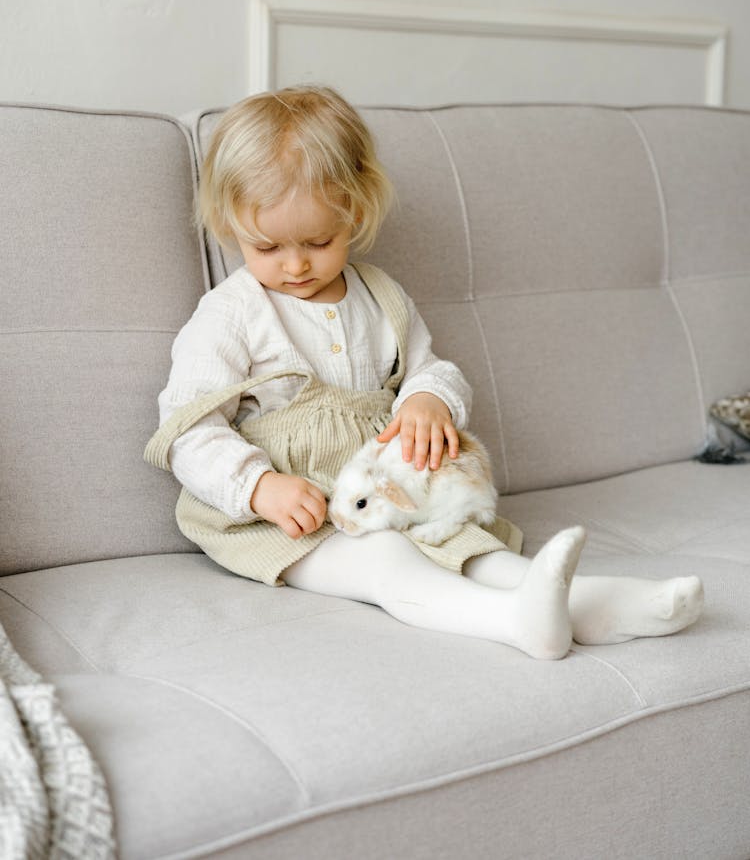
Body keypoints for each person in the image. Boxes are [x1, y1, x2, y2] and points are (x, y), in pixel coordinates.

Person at [145, 86, 703, 659]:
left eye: (319, 241)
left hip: (385, 496)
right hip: (292, 518)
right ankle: (515, 621)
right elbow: (186, 427)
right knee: (386, 562)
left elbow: (429, 368)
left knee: (471, 547)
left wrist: (426, 399)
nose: (295, 265)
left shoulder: (380, 296)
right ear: (228, 224)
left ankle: (593, 603)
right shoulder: (230, 315)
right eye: (266, 246)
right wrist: (258, 487)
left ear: (354, 213)